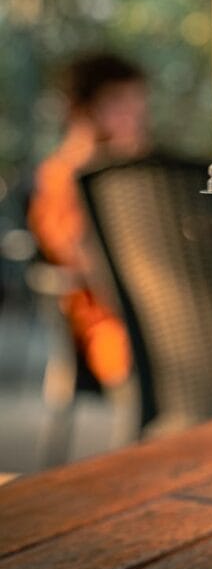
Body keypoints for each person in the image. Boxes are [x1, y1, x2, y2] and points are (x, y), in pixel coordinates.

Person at [28, 53, 151, 388]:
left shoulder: (146, 178)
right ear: (83, 110)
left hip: (165, 317)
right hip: (114, 329)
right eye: (119, 106)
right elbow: (77, 258)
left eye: (137, 107)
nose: (133, 119)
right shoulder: (61, 177)